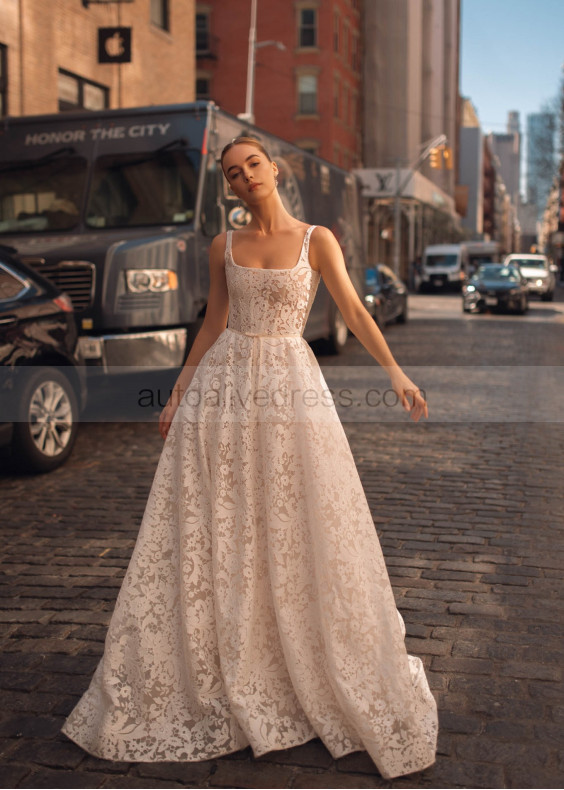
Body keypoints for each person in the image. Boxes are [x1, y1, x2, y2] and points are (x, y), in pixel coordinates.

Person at [61, 137, 438, 779]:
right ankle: (226, 651)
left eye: (252, 165)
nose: (244, 177)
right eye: (232, 174)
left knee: (295, 520)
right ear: (230, 187)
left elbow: (351, 308)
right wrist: (179, 389)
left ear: (274, 169)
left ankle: (295, 652)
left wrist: (396, 372)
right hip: (224, 392)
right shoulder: (223, 246)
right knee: (222, 524)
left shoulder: (317, 239)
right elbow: (212, 323)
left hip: (290, 389)